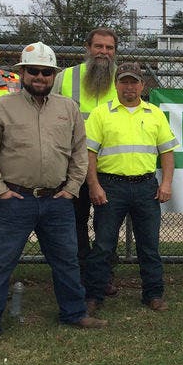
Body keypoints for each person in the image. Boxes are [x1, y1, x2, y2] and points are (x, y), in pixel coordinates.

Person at [0, 42, 106, 348]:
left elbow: (79, 152)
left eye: (46, 72)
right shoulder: (0, 107)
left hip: (56, 201)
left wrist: (72, 187)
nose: (40, 77)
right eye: (34, 71)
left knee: (67, 261)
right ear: (22, 73)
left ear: (53, 75)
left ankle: (74, 312)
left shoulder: (67, 108)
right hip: (14, 200)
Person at [85, 63, 178, 313]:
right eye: (124, 82)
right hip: (110, 187)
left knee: (149, 245)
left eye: (134, 82)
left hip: (146, 186)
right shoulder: (100, 114)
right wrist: (93, 185)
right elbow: (89, 154)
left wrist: (166, 183)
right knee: (104, 245)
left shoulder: (155, 114)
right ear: (115, 84)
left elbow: (167, 152)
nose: (129, 87)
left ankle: (153, 294)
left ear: (143, 85)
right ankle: (94, 295)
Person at [53, 27, 120, 288]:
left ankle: (104, 275)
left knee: (108, 227)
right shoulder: (65, 77)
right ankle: (81, 274)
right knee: (75, 223)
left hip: (110, 168)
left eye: (109, 48)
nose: (103, 52)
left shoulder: (122, 80)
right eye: (99, 46)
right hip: (73, 167)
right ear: (87, 48)